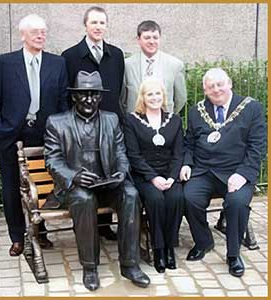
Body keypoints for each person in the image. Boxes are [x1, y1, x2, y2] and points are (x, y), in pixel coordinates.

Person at [44, 70, 150, 291]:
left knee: (131, 194)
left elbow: (121, 152)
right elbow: (52, 161)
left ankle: (130, 264)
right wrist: (74, 176)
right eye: (84, 94)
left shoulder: (111, 120)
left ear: (100, 97)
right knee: (84, 199)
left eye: (94, 94)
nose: (89, 99)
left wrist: (121, 171)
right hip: (77, 188)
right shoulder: (57, 123)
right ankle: (90, 267)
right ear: (74, 96)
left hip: (107, 183)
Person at [0, 14, 69, 257]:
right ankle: (17, 237)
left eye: (43, 31)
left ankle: (40, 232)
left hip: (46, 135)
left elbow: (63, 101)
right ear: (23, 35)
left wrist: (60, 132)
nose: (41, 35)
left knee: (44, 182)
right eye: (35, 32)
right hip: (12, 135)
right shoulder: (5, 63)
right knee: (11, 187)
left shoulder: (57, 63)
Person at [180, 68, 266, 277]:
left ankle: (233, 254)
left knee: (236, 203)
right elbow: (189, 143)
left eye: (220, 84)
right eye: (211, 86)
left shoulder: (251, 108)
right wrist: (187, 164)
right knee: (187, 197)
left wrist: (243, 174)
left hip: (236, 172)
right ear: (204, 90)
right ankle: (204, 241)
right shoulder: (196, 111)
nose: (216, 89)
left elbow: (258, 146)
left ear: (229, 84)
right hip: (204, 171)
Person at [62, 6, 125, 239]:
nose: (98, 27)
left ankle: (104, 225)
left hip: (109, 124)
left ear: (106, 26)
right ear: (85, 25)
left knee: (107, 168)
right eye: (94, 23)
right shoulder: (70, 56)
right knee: (88, 171)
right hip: (83, 125)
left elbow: (118, 89)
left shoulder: (116, 55)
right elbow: (66, 92)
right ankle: (86, 222)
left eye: (102, 23)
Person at [123, 79, 184, 273]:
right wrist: (153, 178)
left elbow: (178, 153)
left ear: (163, 96)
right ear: (143, 97)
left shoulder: (174, 120)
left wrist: (172, 177)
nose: (154, 98)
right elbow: (133, 155)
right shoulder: (131, 120)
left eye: (158, 93)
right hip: (144, 175)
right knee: (156, 200)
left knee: (176, 197)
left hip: (169, 175)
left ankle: (169, 248)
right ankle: (158, 249)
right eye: (150, 94)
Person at [121, 20, 187, 114]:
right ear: (138, 39)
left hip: (164, 122)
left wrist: (167, 115)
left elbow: (181, 98)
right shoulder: (127, 65)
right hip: (134, 122)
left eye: (155, 38)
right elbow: (122, 98)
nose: (152, 42)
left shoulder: (175, 65)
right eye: (147, 38)